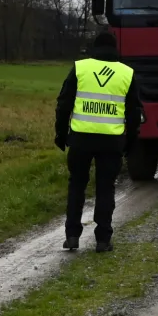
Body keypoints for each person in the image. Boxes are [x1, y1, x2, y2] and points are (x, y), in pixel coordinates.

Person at [55, 32, 142, 253]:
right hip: (111, 142)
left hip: (80, 139)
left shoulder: (81, 68)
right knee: (105, 188)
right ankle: (103, 239)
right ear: (115, 48)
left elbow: (64, 104)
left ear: (94, 47)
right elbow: (134, 113)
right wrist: (130, 141)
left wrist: (61, 134)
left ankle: (72, 235)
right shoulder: (126, 73)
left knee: (77, 185)